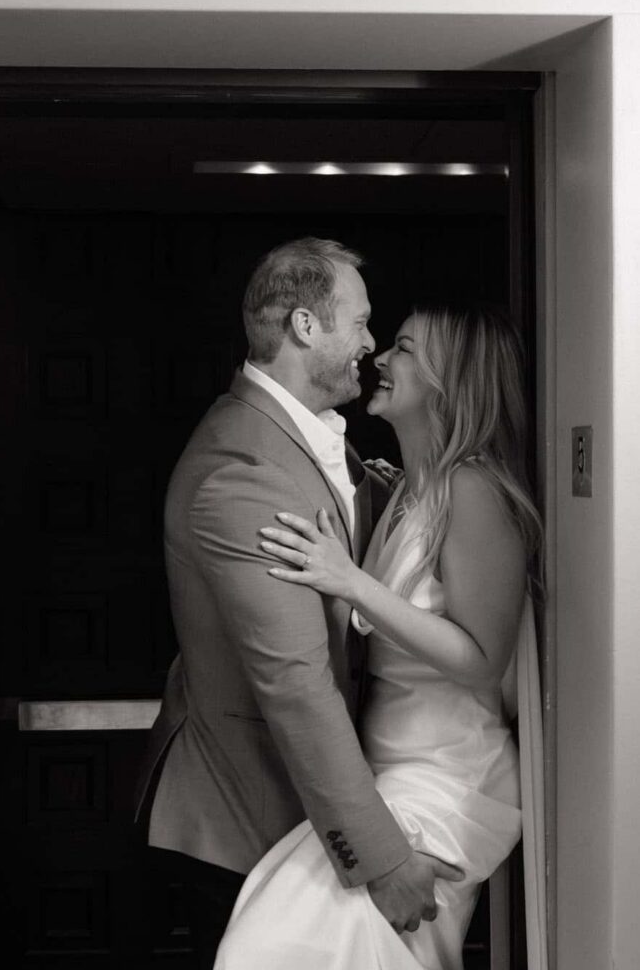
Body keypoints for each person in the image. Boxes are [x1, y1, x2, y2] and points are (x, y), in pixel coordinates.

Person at [135, 239, 461, 969]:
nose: (371, 344)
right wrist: (382, 858)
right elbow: (295, 683)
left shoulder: (307, 440)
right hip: (240, 818)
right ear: (306, 327)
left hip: (303, 809)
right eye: (360, 322)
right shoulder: (239, 469)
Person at [214, 302, 544, 970]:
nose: (380, 359)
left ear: (452, 382)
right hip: (389, 775)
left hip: (447, 782)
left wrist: (351, 582)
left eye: (404, 349)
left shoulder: (473, 489)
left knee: (273, 942)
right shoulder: (403, 490)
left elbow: (483, 663)